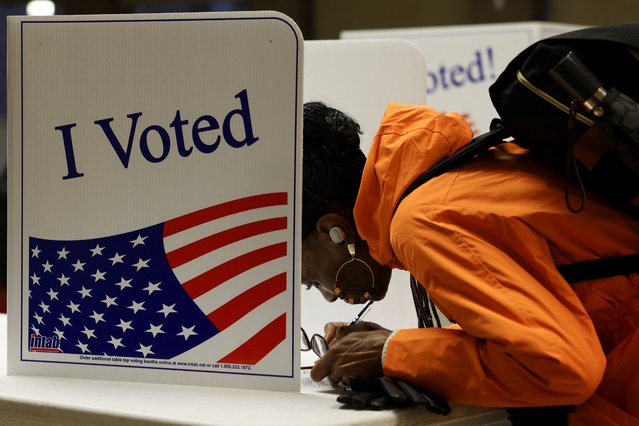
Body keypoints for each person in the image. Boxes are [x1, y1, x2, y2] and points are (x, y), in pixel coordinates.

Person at [301, 101, 639, 425]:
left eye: (312, 281)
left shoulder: (423, 221)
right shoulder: (449, 182)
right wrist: (395, 347)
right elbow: (545, 323)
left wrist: (392, 352)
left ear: (335, 232)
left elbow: (560, 366)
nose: (329, 296)